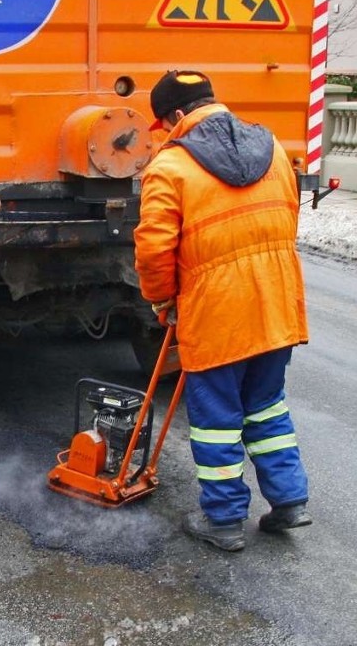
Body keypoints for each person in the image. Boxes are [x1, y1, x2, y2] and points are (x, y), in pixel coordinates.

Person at [133, 70, 312, 552]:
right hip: (276, 305)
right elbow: (288, 219)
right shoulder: (271, 147)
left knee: (216, 419)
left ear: (174, 116)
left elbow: (154, 249)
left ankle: (225, 520)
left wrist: (163, 298)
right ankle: (290, 501)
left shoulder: (170, 168)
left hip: (217, 313)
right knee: (267, 404)